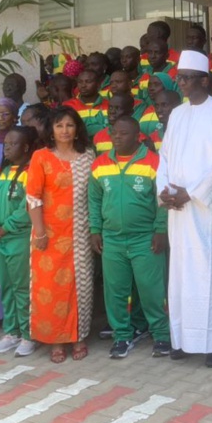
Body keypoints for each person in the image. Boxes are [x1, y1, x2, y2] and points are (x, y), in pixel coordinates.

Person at [157, 50, 212, 367]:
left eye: (186, 78)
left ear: (204, 80)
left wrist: (190, 193)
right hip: (178, 211)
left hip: (208, 208)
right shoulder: (177, 115)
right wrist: (164, 191)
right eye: (179, 78)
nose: (180, 83)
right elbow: (164, 158)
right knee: (180, 277)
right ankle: (183, 339)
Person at [89, 116, 171, 360]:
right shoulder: (100, 164)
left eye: (123, 134)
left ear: (138, 137)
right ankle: (122, 335)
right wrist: (95, 229)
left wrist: (160, 230)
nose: (116, 137)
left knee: (152, 290)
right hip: (112, 239)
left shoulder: (154, 162)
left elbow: (163, 201)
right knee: (115, 291)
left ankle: (162, 334)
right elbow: (94, 200)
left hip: (145, 238)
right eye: (114, 133)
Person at [27, 106, 95, 363]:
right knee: (52, 288)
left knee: (80, 286)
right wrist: (40, 232)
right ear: (51, 130)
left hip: (80, 233)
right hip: (49, 235)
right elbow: (32, 197)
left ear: (77, 128)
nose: (65, 130)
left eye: (69, 125)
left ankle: (78, 336)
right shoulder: (41, 157)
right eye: (59, 126)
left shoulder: (88, 156)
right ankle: (56, 340)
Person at [0, 126, 39, 357]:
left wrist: (6, 228)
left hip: (17, 239)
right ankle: (11, 332)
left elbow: (29, 206)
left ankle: (28, 334)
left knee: (22, 289)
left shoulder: (31, 172)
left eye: (13, 144)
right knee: (5, 288)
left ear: (26, 147)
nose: (6, 147)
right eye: (5, 143)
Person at [64, 70, 108, 139]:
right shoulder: (68, 106)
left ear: (98, 84)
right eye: (80, 82)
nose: (83, 85)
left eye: (88, 82)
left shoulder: (110, 105)